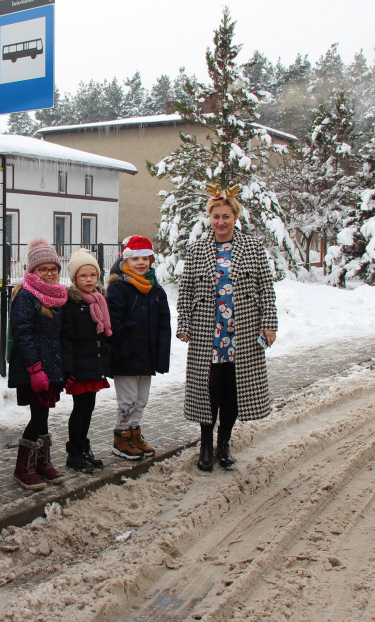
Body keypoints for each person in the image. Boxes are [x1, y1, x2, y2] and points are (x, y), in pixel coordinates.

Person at [177, 183, 278, 472]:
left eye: (226, 216)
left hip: (242, 332)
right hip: (208, 331)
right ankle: (205, 445)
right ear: (210, 218)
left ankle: (224, 443)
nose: (221, 222)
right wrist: (184, 323)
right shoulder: (197, 249)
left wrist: (269, 324)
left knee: (234, 390)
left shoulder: (252, 247)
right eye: (216, 216)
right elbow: (185, 291)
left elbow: (266, 289)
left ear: (235, 218)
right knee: (208, 390)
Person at [8, 238, 67, 490]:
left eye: (53, 268)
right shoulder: (26, 296)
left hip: (51, 367)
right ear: (32, 271)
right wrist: (34, 368)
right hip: (34, 369)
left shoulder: (57, 296)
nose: (50, 273)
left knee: (43, 416)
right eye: (43, 269)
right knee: (37, 416)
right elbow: (23, 333)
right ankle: (23, 469)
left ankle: (42, 463)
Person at [106, 236, 171, 460]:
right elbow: (114, 323)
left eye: (145, 258)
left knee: (141, 400)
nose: (141, 263)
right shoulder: (118, 289)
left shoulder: (156, 290)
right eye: (136, 259)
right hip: (126, 356)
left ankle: (134, 433)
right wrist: (127, 341)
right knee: (128, 400)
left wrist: (160, 354)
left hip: (147, 357)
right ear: (126, 261)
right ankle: (120, 436)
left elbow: (164, 325)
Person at [60, 249, 113, 472]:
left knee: (89, 407)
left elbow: (102, 336)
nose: (89, 279)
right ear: (74, 279)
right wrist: (69, 369)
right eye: (83, 276)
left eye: (93, 274)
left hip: (93, 364)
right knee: (80, 409)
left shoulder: (99, 301)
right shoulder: (70, 304)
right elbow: (66, 339)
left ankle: (83, 447)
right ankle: (74, 452)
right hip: (79, 368)